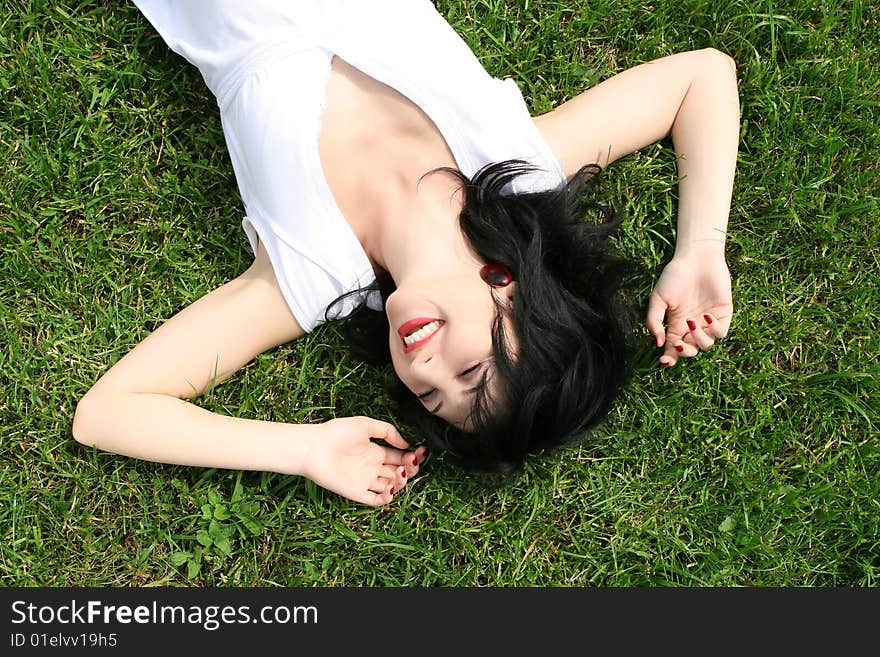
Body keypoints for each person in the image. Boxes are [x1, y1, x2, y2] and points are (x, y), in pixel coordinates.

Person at [72, 0, 739, 506]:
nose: (424, 366)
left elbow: (108, 411)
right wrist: (700, 248)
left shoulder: (312, 270)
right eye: (468, 369)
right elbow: (701, 80)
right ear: (515, 294)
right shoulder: (516, 166)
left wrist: (304, 448)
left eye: (428, 393)